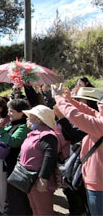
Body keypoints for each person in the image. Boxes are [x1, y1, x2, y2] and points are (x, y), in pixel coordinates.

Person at [54, 85, 103, 216]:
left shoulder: (100, 125)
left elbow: (75, 116)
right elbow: (92, 113)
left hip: (99, 183)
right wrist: (70, 101)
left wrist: (58, 98)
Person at [18, 105, 59, 216]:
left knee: (44, 211)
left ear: (39, 119)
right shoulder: (33, 133)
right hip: (30, 179)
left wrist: (43, 179)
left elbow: (49, 157)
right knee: (35, 209)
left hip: (38, 180)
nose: (27, 118)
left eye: (30, 116)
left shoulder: (48, 135)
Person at [0, 99, 32, 216]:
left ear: (22, 113)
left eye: (12, 111)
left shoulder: (24, 126)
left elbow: (13, 142)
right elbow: (0, 138)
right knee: (11, 194)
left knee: (18, 196)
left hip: (18, 166)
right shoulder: (10, 123)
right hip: (8, 163)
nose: (9, 113)